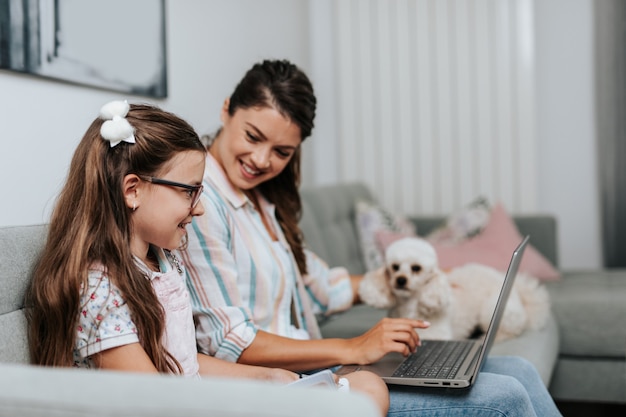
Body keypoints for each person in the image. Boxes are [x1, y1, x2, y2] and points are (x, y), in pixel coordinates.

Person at [183, 59, 563, 417]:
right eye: (253, 136)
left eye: (282, 151)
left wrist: (414, 279)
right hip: (288, 381)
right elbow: (228, 341)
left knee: (520, 370)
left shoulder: (262, 198)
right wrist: (354, 347)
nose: (263, 160)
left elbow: (320, 288)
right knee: (505, 398)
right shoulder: (200, 203)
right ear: (226, 109)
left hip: (316, 364)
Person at [25, 100, 388, 415]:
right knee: (359, 398)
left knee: (367, 387)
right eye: (190, 193)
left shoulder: (163, 261)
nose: (199, 211)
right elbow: (156, 403)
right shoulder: (99, 291)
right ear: (132, 190)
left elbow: (185, 364)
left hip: (191, 402)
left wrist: (268, 378)